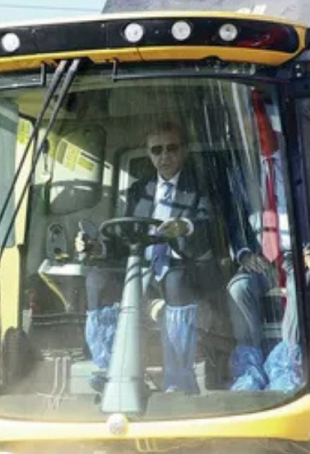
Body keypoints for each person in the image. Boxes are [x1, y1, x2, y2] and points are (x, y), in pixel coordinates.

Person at [77, 120, 212, 393]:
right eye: (157, 150)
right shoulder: (141, 190)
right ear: (149, 154)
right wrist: (97, 248)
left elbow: (210, 228)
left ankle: (178, 378)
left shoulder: (200, 186)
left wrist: (184, 227)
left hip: (186, 268)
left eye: (172, 148)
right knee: (97, 278)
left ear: (184, 151)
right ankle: (110, 366)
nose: (164, 156)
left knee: (175, 278)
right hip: (144, 268)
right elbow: (123, 237)